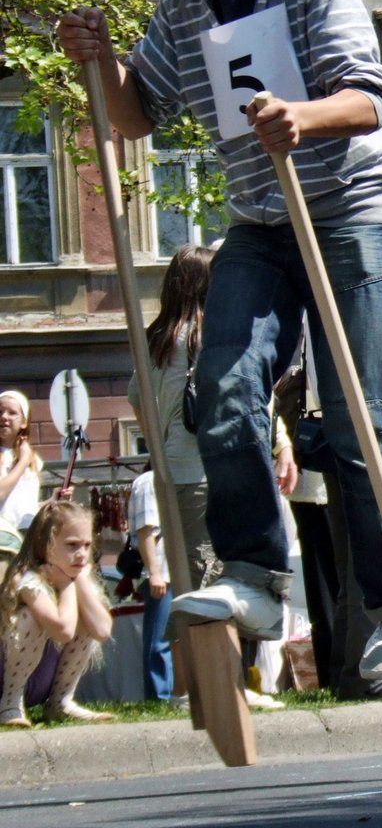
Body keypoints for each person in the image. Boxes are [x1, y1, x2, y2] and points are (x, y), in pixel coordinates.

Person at [57, 0, 382, 680]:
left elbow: (369, 99)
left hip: (347, 211)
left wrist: (300, 116)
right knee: (222, 391)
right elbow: (134, 115)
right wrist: (101, 61)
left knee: (358, 419)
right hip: (263, 221)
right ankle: (257, 575)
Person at [125, 244, 219, 598]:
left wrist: (159, 446)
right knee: (204, 579)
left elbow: (136, 399)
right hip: (201, 472)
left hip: (168, 473)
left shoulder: (157, 338)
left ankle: (184, 635)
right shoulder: (205, 335)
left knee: (182, 576)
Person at [0, 502, 114, 726]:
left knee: (87, 616)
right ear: (46, 545)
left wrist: (78, 580)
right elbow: (62, 631)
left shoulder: (75, 578)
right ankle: (9, 704)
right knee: (30, 617)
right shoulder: (28, 579)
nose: (82, 554)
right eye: (72, 545)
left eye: (87, 545)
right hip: (7, 682)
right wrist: (66, 585)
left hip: (40, 681)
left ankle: (60, 703)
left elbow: (102, 631)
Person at [126, 469, 173, 702]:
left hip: (176, 570)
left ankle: (170, 694)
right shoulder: (149, 481)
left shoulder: (173, 476)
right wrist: (155, 572)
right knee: (159, 639)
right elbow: (146, 530)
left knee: (170, 638)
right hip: (163, 570)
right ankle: (159, 697)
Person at [0, 391, 42, 531]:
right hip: (4, 534)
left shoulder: (33, 459)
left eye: (12, 413)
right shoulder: (26, 458)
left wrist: (53, 501)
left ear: (24, 422)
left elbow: (26, 507)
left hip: (29, 533)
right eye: (0, 412)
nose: (4, 417)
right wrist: (23, 462)